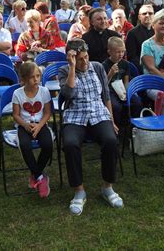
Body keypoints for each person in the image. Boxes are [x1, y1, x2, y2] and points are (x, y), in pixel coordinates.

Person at [59, 39, 123, 216]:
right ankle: (79, 190)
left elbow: (106, 94)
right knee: (70, 144)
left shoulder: (97, 67)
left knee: (111, 140)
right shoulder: (64, 70)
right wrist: (72, 67)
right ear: (71, 59)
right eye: (80, 59)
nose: (84, 62)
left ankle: (107, 187)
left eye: (86, 57)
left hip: (97, 112)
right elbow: (68, 93)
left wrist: (111, 120)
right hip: (75, 114)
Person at [12, 62, 53, 198]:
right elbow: (16, 115)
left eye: (38, 76)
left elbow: (47, 113)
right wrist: (25, 125)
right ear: (23, 79)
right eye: (32, 77)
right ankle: (40, 177)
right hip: (24, 126)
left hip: (40, 124)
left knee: (48, 144)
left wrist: (40, 126)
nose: (36, 79)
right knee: (25, 145)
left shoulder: (44, 91)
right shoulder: (17, 93)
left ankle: (35, 174)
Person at [102, 37, 142, 126]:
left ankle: (133, 125)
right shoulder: (104, 65)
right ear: (109, 52)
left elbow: (126, 80)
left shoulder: (125, 64)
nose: (121, 54)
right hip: (110, 90)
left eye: (122, 51)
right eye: (118, 52)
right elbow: (103, 85)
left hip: (122, 88)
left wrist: (127, 92)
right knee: (116, 106)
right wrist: (111, 74)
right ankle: (118, 126)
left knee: (137, 102)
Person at [125, 4, 155, 73]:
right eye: (144, 13)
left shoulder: (158, 31)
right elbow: (132, 57)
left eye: (150, 13)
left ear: (154, 16)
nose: (147, 15)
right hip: (142, 68)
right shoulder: (132, 33)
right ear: (139, 17)